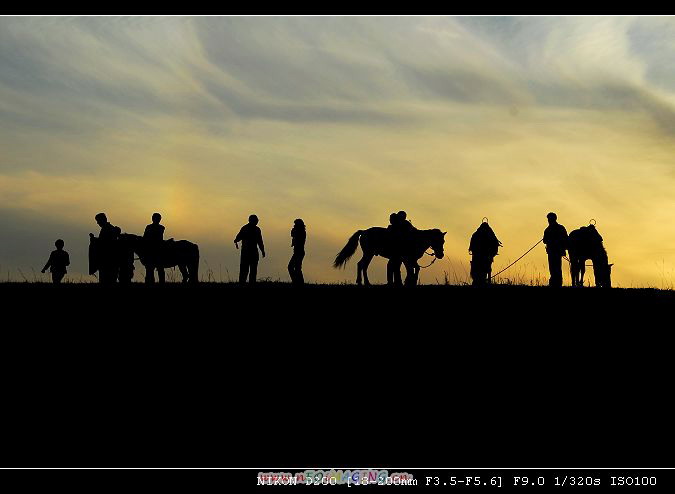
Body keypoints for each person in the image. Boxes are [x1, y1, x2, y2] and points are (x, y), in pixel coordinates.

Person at [90, 213, 121, 284]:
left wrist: (94, 240)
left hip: (107, 259)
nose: (97, 223)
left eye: (98, 221)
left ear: (103, 220)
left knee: (106, 280)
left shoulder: (107, 229)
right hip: (111, 259)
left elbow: (105, 243)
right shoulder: (109, 228)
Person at [234, 214, 265, 284]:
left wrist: (262, 250)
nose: (257, 221)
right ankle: (248, 283)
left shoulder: (245, 228)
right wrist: (262, 250)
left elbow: (238, 238)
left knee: (246, 270)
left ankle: (243, 283)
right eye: (256, 220)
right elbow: (260, 241)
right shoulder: (256, 229)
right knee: (250, 270)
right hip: (250, 252)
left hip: (247, 252)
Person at [387, 211, 416, 286]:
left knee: (393, 266)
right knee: (396, 267)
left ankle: (397, 282)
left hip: (401, 250)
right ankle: (399, 282)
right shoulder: (403, 225)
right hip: (402, 250)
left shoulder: (398, 225)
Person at [469, 221, 502, 285]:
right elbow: (495, 247)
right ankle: (483, 282)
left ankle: (478, 282)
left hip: (478, 257)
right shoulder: (490, 235)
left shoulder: (475, 235)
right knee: (486, 270)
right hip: (486, 257)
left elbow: (472, 247)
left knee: (478, 271)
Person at [543, 212, 568, 287]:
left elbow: (544, 240)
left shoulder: (548, 229)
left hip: (555, 251)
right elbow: (566, 239)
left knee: (554, 267)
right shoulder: (560, 228)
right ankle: (556, 283)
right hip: (554, 251)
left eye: (549, 219)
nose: (549, 220)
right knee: (554, 267)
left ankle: (556, 283)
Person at [143, 212, 165, 283]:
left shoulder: (160, 228)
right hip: (152, 250)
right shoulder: (151, 227)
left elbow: (146, 238)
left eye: (158, 219)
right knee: (150, 270)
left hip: (157, 250)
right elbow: (145, 238)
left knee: (158, 269)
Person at [288, 219, 306, 286]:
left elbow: (296, 238)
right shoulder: (300, 231)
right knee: (297, 268)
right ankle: (298, 282)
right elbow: (292, 236)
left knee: (293, 267)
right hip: (297, 252)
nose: (294, 225)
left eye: (295, 224)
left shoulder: (301, 232)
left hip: (299, 252)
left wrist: (294, 232)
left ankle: (297, 282)